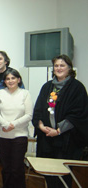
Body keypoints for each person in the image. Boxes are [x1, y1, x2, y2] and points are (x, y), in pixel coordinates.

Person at [32, 54, 88, 188]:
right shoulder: (47, 86)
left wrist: (58, 131)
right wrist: (40, 126)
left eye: (62, 65)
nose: (59, 68)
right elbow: (38, 108)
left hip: (66, 140)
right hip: (46, 137)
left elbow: (77, 115)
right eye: (56, 65)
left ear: (69, 68)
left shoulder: (77, 88)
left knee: (63, 175)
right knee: (48, 173)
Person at [0, 68, 33, 188]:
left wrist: (12, 125)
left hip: (19, 135)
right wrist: (5, 124)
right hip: (1, 135)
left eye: (13, 78)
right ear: (4, 81)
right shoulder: (0, 93)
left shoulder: (25, 94)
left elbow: (29, 115)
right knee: (6, 167)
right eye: (7, 79)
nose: (10, 81)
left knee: (17, 168)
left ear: (18, 79)